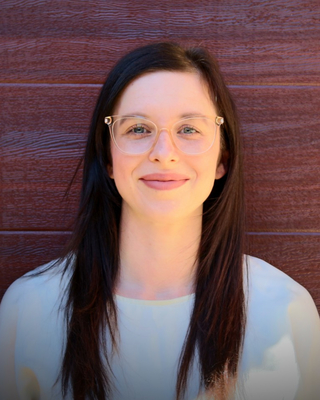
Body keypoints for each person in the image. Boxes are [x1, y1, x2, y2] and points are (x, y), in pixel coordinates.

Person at [0, 42, 319, 400]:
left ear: (222, 159)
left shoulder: (285, 310)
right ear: (107, 157)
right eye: (138, 129)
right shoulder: (30, 310)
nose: (164, 153)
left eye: (189, 129)